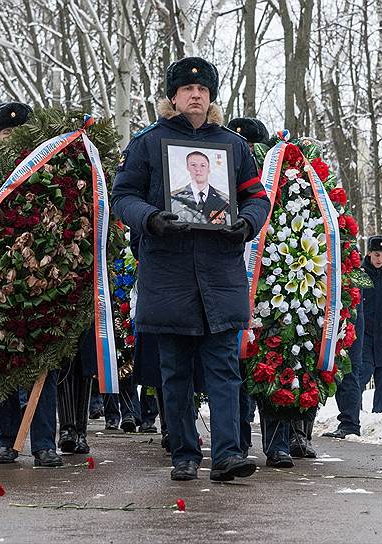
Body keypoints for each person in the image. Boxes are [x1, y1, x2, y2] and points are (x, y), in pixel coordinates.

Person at [111, 56, 269, 482]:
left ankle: (227, 455)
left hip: (220, 274)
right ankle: (183, 453)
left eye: (202, 90)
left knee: (224, 368)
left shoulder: (232, 146)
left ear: (211, 96)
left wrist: (247, 223)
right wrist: (150, 218)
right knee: (175, 371)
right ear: (173, 97)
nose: (195, 95)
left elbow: (257, 197)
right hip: (168, 274)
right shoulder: (148, 143)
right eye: (186, 90)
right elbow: (122, 195)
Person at [0, 102, 62, 467]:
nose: (12, 139)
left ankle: (45, 442)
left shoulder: (49, 169)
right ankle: (7, 439)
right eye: (5, 134)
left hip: (41, 280)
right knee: (2, 362)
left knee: (41, 362)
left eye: (19, 133)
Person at [227, 116, 294, 468]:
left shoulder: (280, 179)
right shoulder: (231, 177)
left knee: (275, 364)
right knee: (238, 368)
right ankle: (237, 443)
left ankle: (277, 443)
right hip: (237, 284)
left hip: (276, 287)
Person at [358, 235, 382, 413]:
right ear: (369, 253)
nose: (380, 259)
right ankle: (354, 412)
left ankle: (378, 414)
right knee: (362, 374)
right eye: (377, 255)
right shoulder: (360, 276)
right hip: (364, 335)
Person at [323, 296, 366, 439]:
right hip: (346, 328)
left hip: (348, 332)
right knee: (345, 378)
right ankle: (348, 422)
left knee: (349, 377)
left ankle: (350, 424)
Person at [170, 150, 229, 224]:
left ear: (209, 169)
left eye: (203, 165)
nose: (198, 169)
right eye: (193, 165)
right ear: (187, 168)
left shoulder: (225, 200)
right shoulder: (174, 198)